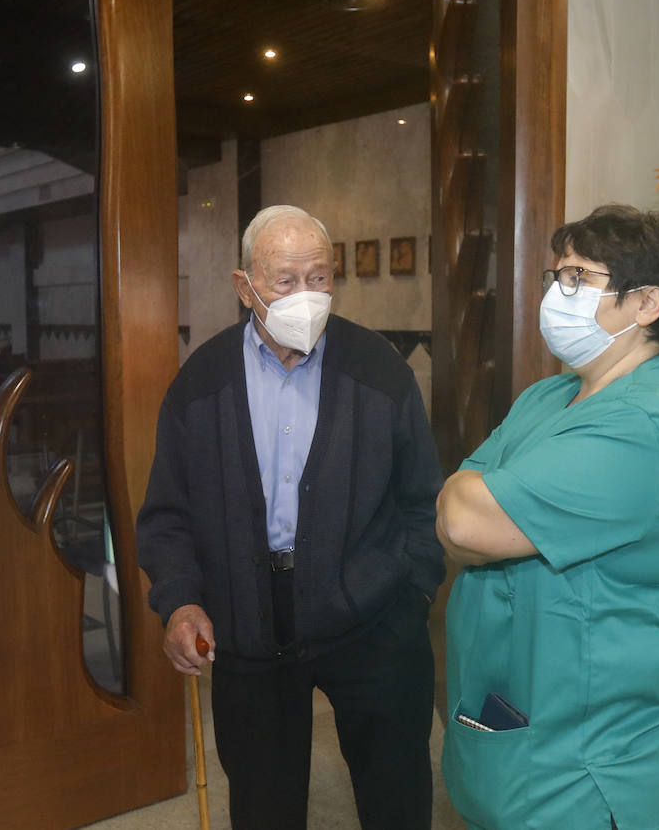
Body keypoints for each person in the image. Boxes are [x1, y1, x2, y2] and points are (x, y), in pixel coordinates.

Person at [137, 205, 444, 830]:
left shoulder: (380, 370)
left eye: (320, 277)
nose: (306, 295)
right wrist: (180, 601)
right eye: (285, 280)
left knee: (397, 798)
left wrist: (410, 592)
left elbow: (422, 500)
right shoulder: (201, 383)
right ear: (244, 285)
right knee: (263, 805)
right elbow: (168, 513)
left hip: (373, 616)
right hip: (248, 618)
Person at [436, 204, 659, 830]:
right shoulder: (552, 394)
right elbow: (461, 505)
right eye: (556, 278)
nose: (556, 295)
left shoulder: (646, 421)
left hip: (597, 758)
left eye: (578, 279)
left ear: (647, 304)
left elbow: (463, 521)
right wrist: (472, 494)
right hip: (533, 711)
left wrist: (477, 491)